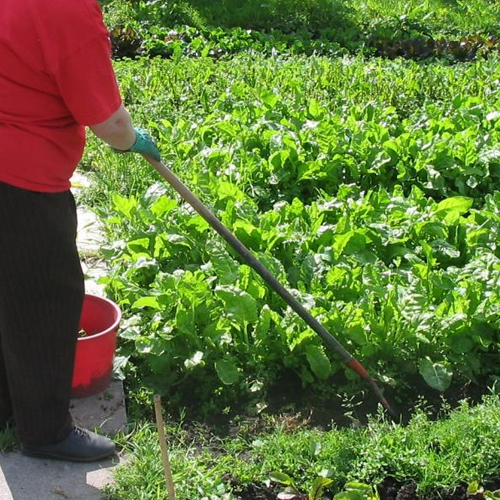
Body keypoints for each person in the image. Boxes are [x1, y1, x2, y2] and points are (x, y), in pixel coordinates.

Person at [0, 0, 160, 462]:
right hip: (22, 177)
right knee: (46, 299)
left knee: (7, 289)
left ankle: (6, 405)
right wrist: (132, 139)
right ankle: (45, 432)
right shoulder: (68, 12)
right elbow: (110, 122)